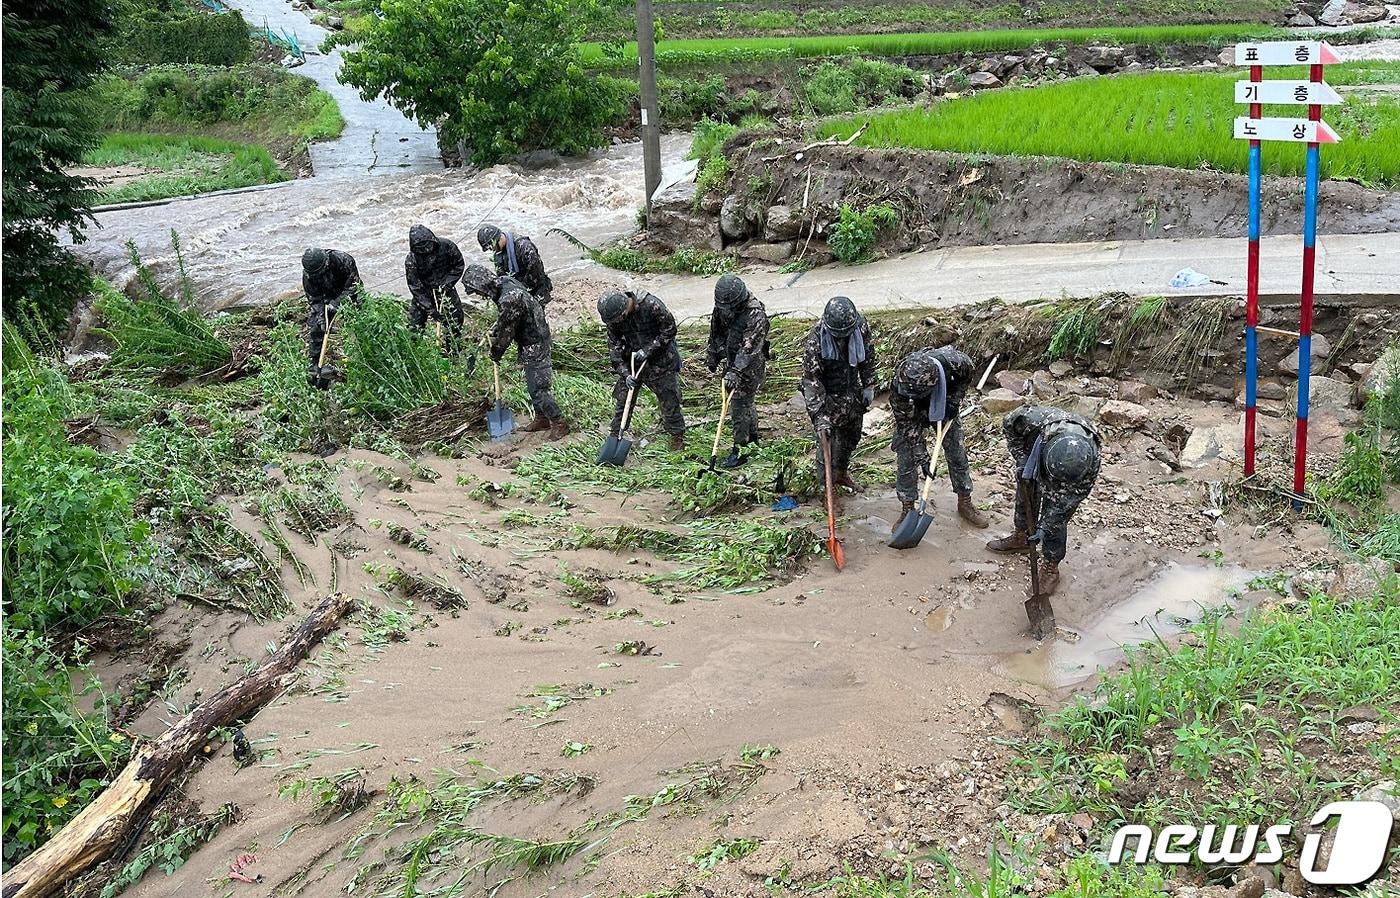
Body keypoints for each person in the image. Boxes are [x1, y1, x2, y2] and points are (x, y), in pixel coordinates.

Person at [986, 405, 1102, 597]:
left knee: (1056, 519)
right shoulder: (1029, 418)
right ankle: (1021, 537)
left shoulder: (1088, 465)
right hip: (1035, 452)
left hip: (1067, 473)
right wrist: (1022, 460)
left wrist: (1045, 526)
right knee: (1026, 489)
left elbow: (1064, 505)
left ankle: (1051, 567)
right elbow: (1009, 427)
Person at [889, 346, 990, 532]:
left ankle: (965, 501)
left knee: (957, 454)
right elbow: (906, 425)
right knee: (906, 459)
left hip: (943, 402)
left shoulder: (955, 361)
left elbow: (967, 376)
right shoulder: (900, 385)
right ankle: (908, 508)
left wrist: (954, 400)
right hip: (913, 414)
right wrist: (923, 457)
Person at [463, 265, 568, 439]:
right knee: (531, 383)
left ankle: (558, 423)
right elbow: (509, 317)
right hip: (530, 336)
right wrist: (495, 328)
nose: (478, 296)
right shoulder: (505, 282)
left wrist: (495, 353)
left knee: (539, 386)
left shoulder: (508, 298)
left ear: (482, 285)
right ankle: (541, 418)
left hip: (535, 340)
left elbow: (507, 332)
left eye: (476, 291)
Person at [801, 296, 876, 492]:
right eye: (838, 335)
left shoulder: (859, 327)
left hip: (852, 393)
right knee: (826, 444)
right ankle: (826, 488)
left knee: (851, 437)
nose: (842, 338)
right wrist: (819, 417)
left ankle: (841, 473)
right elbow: (811, 380)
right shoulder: (816, 340)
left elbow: (868, 356)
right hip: (827, 397)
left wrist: (869, 385)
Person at [598, 290, 687, 451]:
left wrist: (649, 350)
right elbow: (615, 350)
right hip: (632, 362)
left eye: (620, 318)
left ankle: (677, 436)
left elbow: (669, 329)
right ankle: (615, 437)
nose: (617, 323)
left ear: (626, 308)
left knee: (669, 399)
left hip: (660, 360)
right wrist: (625, 374)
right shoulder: (614, 320)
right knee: (623, 400)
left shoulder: (651, 305)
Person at [705, 274, 769, 468]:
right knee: (746, 403)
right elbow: (715, 332)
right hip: (732, 358)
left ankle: (740, 449)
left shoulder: (755, 313)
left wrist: (735, 371)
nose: (727, 312)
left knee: (739, 405)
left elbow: (749, 348)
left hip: (750, 364)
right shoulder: (723, 307)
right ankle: (753, 439)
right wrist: (713, 355)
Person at [301, 247, 360, 388]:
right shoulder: (309, 276)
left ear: (326, 263)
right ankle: (316, 365)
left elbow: (354, 286)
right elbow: (314, 299)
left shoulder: (343, 260)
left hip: (348, 293)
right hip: (326, 296)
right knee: (317, 327)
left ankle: (361, 358)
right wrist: (322, 314)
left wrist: (337, 303)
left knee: (359, 323)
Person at [405, 224, 466, 351]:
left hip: (445, 289)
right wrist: (430, 309)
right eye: (421, 250)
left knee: (456, 319)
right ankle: (415, 353)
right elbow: (415, 286)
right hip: (424, 293)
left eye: (428, 247)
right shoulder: (412, 260)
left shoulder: (447, 246)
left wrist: (448, 283)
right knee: (414, 325)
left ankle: (452, 351)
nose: (426, 251)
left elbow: (459, 264)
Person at [478, 224, 552, 304]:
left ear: (498, 238)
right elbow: (502, 277)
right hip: (518, 289)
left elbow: (536, 274)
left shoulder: (524, 246)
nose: (492, 250)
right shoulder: (498, 255)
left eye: (491, 247)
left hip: (537, 288)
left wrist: (521, 292)